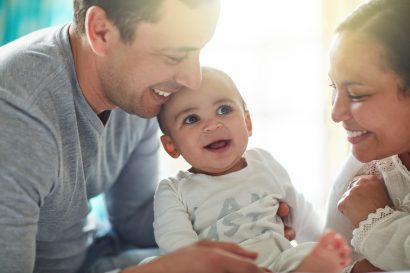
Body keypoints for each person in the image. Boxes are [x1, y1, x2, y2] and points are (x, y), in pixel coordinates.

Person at [0, 1, 283, 273]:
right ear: (101, 32)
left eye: (198, 51)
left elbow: (131, 217)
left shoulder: (136, 92)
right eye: (174, 56)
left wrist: (235, 216)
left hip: (97, 256)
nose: (192, 79)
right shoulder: (16, 115)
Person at [154, 66, 351, 272]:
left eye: (224, 110)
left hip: (278, 261)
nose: (213, 125)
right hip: (221, 267)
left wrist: (322, 244)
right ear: (171, 145)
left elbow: (299, 212)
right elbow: (177, 246)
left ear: (247, 122)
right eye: (191, 119)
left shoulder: (263, 162)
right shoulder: (173, 190)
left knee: (306, 252)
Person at [325, 0, 410, 271]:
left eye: (357, 94)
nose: (336, 114)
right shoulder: (361, 174)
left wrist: (377, 221)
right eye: (333, 87)